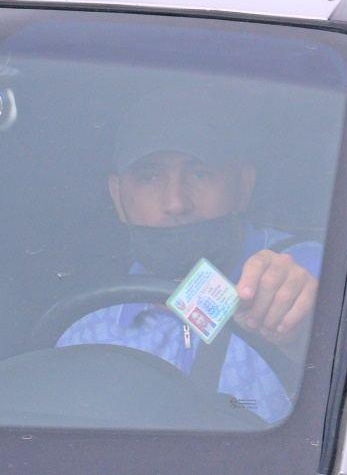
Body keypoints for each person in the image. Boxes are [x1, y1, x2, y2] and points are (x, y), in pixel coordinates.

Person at [57, 90, 319, 424]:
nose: (176, 202)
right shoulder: (87, 332)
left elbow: (341, 339)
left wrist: (300, 327)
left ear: (244, 185)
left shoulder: (304, 270)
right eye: (149, 176)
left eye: (199, 173)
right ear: (118, 196)